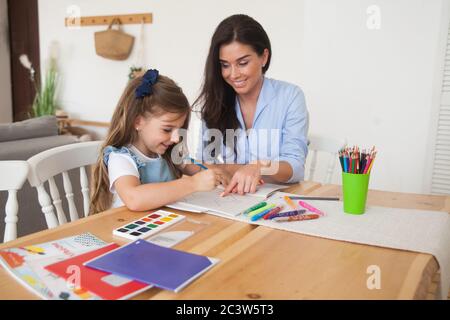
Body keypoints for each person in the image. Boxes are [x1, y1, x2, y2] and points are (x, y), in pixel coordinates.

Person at [194, 14, 309, 196]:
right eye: (225, 65)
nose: (233, 74)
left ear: (263, 57)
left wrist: (259, 166)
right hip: (230, 198)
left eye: (243, 63)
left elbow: (295, 166)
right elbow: (204, 163)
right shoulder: (216, 101)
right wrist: (237, 169)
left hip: (276, 199)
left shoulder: (290, 97)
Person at [90, 69, 227, 213]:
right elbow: (134, 199)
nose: (175, 138)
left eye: (179, 130)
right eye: (167, 130)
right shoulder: (121, 157)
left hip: (162, 225)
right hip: (128, 230)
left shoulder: (167, 153)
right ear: (138, 122)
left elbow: (198, 168)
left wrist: (219, 174)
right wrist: (193, 183)